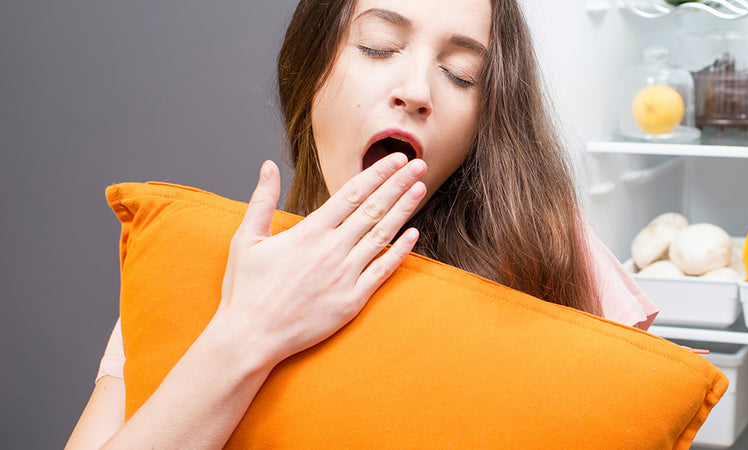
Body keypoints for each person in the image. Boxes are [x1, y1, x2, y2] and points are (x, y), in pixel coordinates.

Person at [65, 0, 658, 447]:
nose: (418, 91)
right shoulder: (189, 276)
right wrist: (247, 334)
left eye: (459, 73)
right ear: (309, 68)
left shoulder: (550, 259)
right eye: (378, 47)